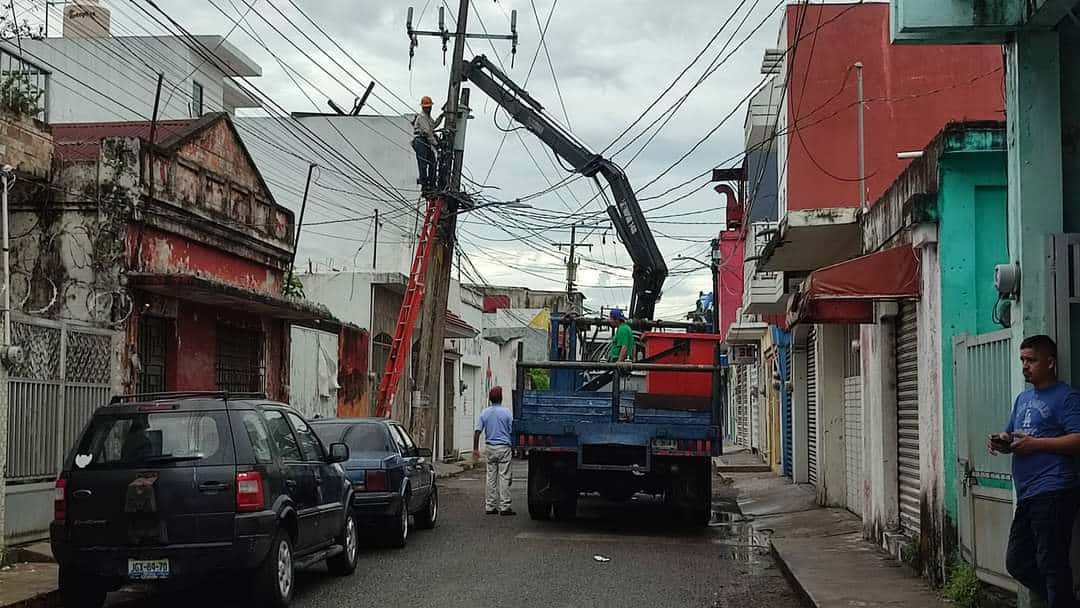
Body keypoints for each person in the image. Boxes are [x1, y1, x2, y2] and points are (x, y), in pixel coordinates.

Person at [988, 335, 1080, 607]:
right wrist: (1002, 441)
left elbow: (1078, 439)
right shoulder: (1023, 398)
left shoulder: (1066, 397)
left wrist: (1035, 445)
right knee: (1018, 562)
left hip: (1054, 489)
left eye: (1031, 360)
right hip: (1029, 493)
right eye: (1022, 360)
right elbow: (1017, 437)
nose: (1025, 366)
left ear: (1050, 363)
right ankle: (1065, 599)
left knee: (1052, 563)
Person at [473, 386, 515, 516]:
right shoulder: (507, 412)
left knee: (490, 477)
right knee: (504, 476)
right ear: (501, 398)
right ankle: (504, 506)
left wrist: (475, 449)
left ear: (490, 399)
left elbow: (477, 431)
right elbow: (511, 430)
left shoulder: (485, 413)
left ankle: (490, 506)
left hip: (490, 447)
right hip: (503, 447)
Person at [411, 96, 443, 191]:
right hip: (420, 140)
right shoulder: (422, 117)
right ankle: (425, 184)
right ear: (423, 107)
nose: (428, 108)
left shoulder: (427, 118)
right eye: (426, 107)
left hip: (425, 140)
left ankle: (432, 182)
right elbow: (428, 132)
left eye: (429, 107)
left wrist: (441, 117)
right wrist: (436, 144)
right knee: (423, 163)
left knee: (432, 161)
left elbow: (433, 125)